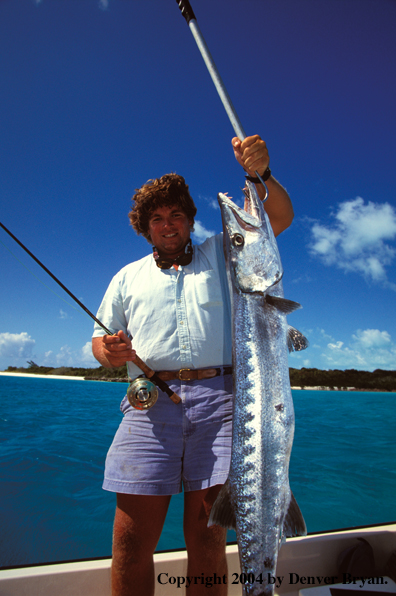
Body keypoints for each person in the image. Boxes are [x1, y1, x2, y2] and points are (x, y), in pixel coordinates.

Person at [92, 135, 294, 596]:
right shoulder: (126, 277)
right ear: (145, 227)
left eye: (176, 215)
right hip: (149, 405)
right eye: (157, 218)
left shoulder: (225, 253)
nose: (168, 225)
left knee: (206, 537)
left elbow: (278, 217)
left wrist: (261, 174)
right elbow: (98, 343)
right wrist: (110, 352)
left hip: (224, 404)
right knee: (130, 539)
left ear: (189, 220)